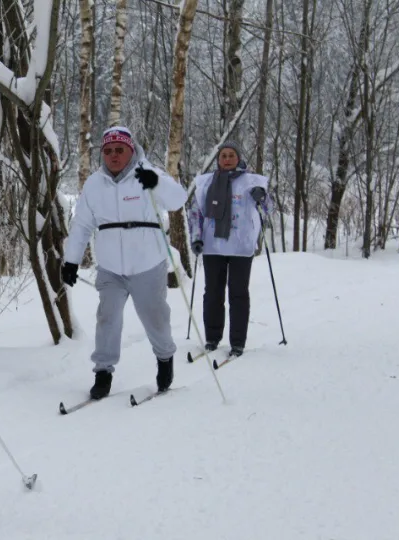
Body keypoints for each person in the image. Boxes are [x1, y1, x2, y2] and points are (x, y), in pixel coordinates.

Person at [61, 126, 188, 399]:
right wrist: (71, 260)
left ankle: (165, 359)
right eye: (108, 151)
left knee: (155, 317)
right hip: (110, 268)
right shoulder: (94, 184)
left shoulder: (146, 173)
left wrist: (156, 181)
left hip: (147, 263)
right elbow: (82, 225)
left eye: (120, 150)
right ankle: (103, 372)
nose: (114, 156)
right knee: (107, 318)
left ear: (131, 150)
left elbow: (178, 200)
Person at [188, 141, 269, 357]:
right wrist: (196, 237)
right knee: (213, 294)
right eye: (223, 155)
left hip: (241, 247)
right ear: (218, 159)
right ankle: (212, 338)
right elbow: (195, 212)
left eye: (231, 155)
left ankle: (237, 341)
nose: (227, 159)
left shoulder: (252, 181)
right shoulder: (205, 182)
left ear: (238, 158)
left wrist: (262, 198)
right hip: (213, 246)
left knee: (238, 294)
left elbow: (267, 210)